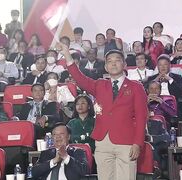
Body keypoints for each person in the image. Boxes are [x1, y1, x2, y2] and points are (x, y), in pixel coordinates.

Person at [58, 42, 147, 180]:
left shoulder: (136, 87)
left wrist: (138, 143)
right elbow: (80, 79)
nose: (113, 64)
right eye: (109, 61)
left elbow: (142, 117)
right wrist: (67, 54)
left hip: (126, 142)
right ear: (105, 66)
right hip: (103, 141)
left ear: (124, 65)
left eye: (117, 60)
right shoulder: (100, 84)